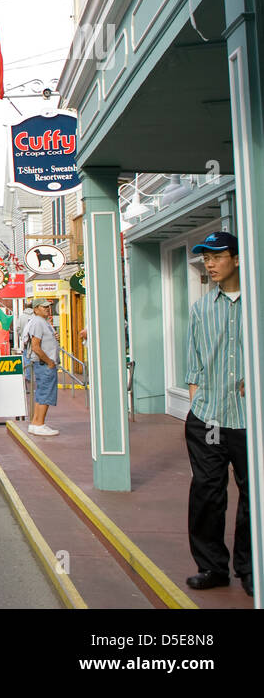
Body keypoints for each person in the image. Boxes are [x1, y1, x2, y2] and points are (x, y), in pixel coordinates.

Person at [183, 231, 251, 596]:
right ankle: (212, 568)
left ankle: (250, 568)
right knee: (208, 494)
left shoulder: (257, 304)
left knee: (253, 494)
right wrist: (196, 402)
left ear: (237, 259)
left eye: (217, 255)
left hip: (249, 419)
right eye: (205, 257)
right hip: (207, 417)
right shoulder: (200, 308)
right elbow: (193, 362)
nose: (209, 263)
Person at [23, 298, 61, 436]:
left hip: (44, 363)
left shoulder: (42, 322)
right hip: (45, 364)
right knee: (45, 393)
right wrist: (49, 361)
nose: (47, 308)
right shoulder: (38, 322)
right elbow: (35, 346)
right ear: (36, 309)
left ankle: (35, 423)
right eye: (43, 306)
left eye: (48, 306)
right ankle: (39, 424)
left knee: (41, 393)